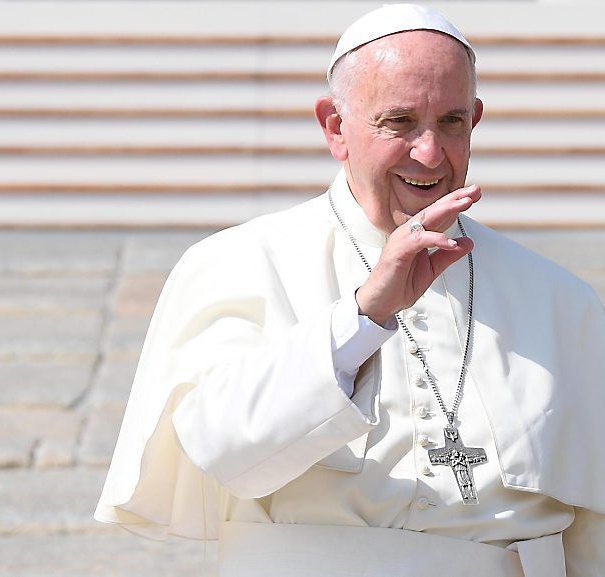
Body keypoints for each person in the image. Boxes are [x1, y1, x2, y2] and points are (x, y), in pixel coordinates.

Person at [94, 4, 605, 575]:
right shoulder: (238, 263)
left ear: (476, 119)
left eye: (452, 121)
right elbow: (217, 449)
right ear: (336, 128)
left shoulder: (560, 299)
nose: (430, 153)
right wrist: (363, 317)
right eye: (400, 122)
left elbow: (593, 530)